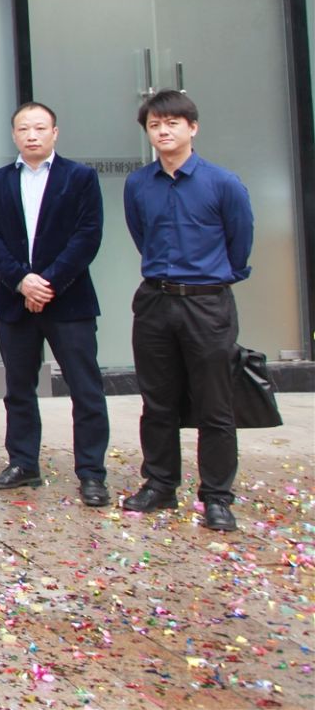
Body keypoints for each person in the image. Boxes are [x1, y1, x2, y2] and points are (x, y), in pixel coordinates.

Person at [122, 89, 254, 533]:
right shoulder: (138, 184)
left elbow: (240, 243)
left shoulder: (223, 183)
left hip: (207, 303)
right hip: (155, 301)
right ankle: (160, 485)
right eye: (154, 125)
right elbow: (141, 235)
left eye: (172, 123)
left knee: (215, 405)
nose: (163, 131)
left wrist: (212, 276)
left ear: (192, 127)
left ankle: (216, 496)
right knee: (157, 401)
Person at [0, 102, 109, 506]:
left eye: (40, 128)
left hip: (68, 301)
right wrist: (21, 281)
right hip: (14, 301)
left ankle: (92, 473)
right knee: (18, 388)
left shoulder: (80, 177)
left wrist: (47, 283)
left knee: (85, 389)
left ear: (55, 132)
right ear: (14, 135)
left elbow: (88, 235)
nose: (32, 135)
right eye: (24, 128)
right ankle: (23, 464)